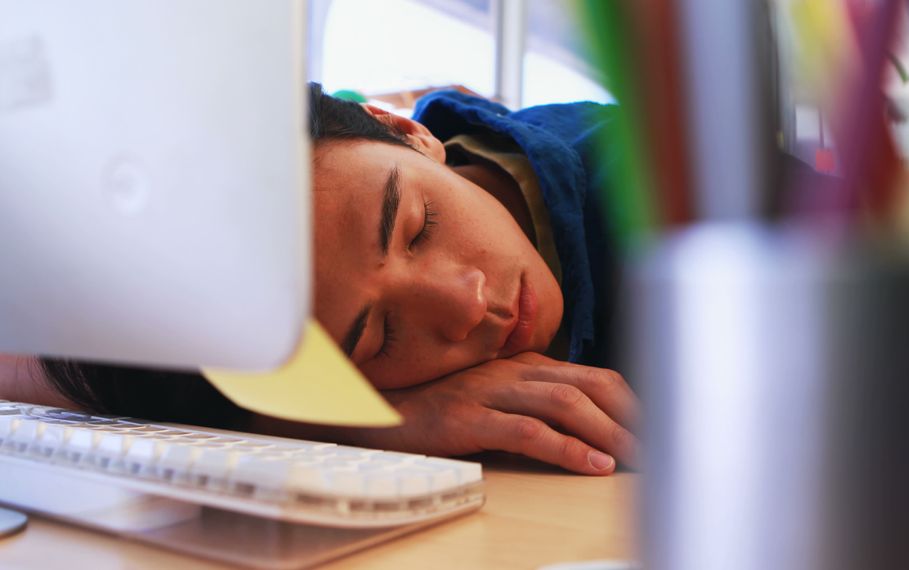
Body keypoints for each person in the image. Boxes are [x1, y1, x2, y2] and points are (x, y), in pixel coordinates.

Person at [0, 84, 638, 476]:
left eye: (419, 225)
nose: (467, 303)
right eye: (378, 337)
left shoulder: (669, 185)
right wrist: (354, 423)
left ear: (405, 131)